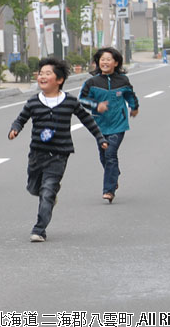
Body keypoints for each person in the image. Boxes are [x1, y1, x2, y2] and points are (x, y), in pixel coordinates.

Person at [8, 57, 108, 242]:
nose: (42, 77)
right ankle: (50, 195)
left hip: (59, 154)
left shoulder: (69, 101)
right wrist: (15, 129)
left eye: (48, 73)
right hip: (37, 154)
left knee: (47, 191)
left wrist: (100, 138)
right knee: (33, 188)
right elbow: (21, 119)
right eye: (40, 74)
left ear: (59, 79)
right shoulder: (33, 102)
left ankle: (39, 229)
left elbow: (87, 120)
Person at [78, 47, 140, 203]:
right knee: (104, 156)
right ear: (98, 62)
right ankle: (113, 174)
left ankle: (109, 190)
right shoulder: (92, 82)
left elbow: (130, 95)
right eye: (102, 59)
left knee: (110, 154)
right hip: (99, 125)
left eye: (108, 59)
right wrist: (96, 105)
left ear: (116, 62)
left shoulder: (123, 81)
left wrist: (134, 107)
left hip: (118, 124)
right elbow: (82, 99)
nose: (105, 62)